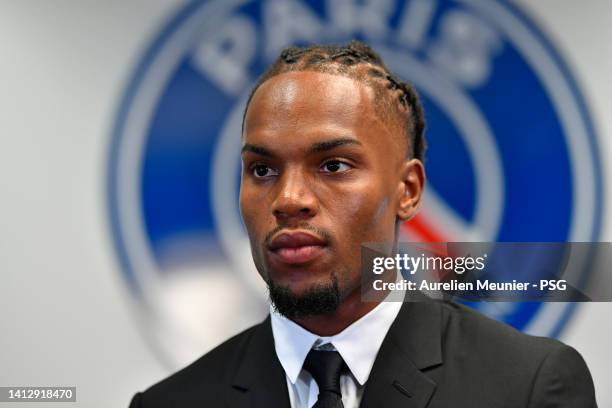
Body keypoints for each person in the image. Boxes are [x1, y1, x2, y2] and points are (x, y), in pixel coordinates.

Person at [128, 41, 597, 408]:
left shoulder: (528, 386)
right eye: (262, 170)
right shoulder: (170, 403)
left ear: (408, 190)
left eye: (333, 166)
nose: (289, 199)